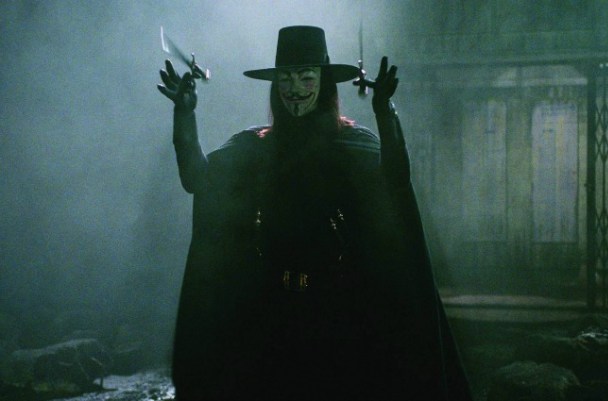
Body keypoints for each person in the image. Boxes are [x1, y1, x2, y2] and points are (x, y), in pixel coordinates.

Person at [158, 25, 472, 400]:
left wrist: (386, 114)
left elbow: (395, 181)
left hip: (339, 316)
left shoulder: (352, 144)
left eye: (306, 77)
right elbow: (197, 178)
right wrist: (184, 115)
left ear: (324, 84)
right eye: (286, 79)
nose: (295, 89)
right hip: (269, 315)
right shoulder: (254, 148)